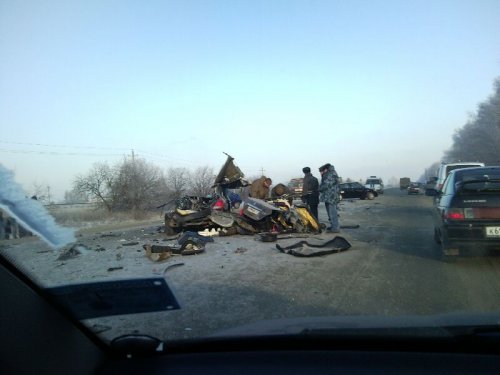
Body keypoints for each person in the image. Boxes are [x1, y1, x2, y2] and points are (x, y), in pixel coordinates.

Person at [318, 163, 340, 233]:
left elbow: (326, 184)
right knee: (330, 213)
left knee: (332, 213)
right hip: (329, 196)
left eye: (321, 172)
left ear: (325, 169)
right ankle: (333, 226)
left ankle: (335, 228)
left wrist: (318, 189)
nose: (321, 173)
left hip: (331, 197)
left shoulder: (331, 174)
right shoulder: (329, 173)